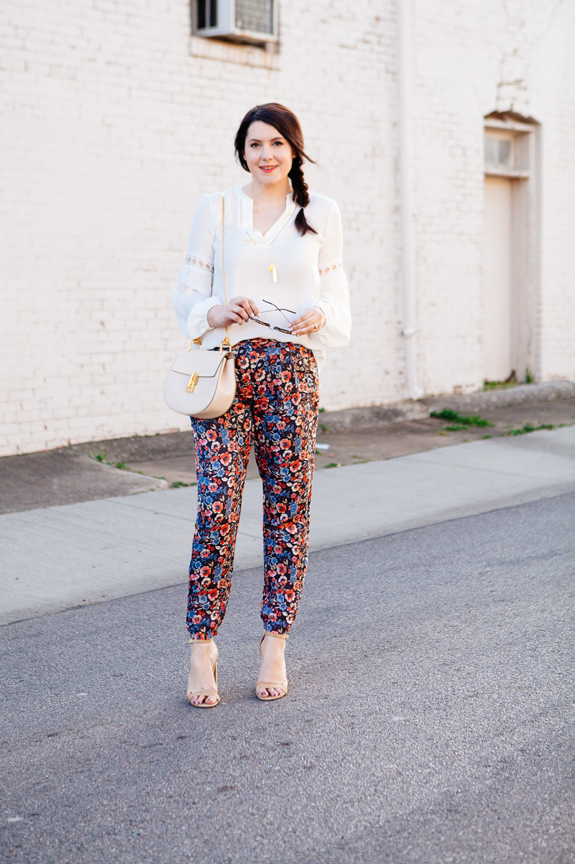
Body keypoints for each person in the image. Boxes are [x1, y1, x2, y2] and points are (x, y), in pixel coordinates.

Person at [172, 102, 351, 707]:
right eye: (254, 145)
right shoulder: (216, 209)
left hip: (294, 372)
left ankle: (274, 641)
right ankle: (203, 645)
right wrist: (212, 311)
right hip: (226, 371)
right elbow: (188, 292)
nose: (266, 154)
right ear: (242, 152)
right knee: (217, 505)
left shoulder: (321, 213)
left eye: (276, 143)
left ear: (294, 149)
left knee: (288, 506)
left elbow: (338, 301)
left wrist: (322, 313)